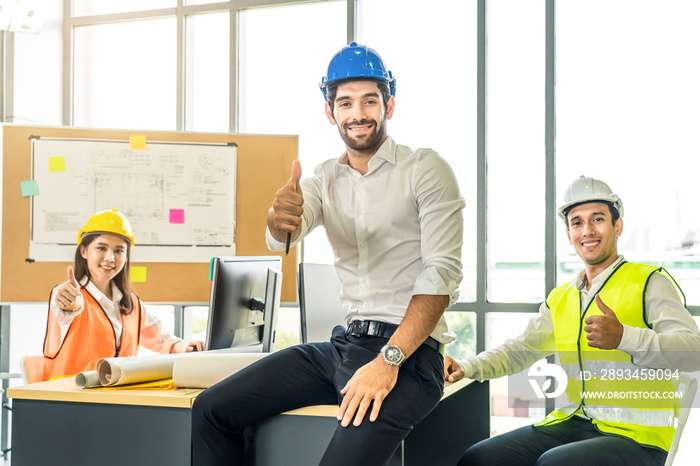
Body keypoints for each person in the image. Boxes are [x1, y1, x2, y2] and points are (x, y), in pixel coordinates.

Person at [191, 42, 465, 465]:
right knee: (212, 409)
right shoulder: (322, 178)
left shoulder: (424, 169)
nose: (358, 113)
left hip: (409, 357)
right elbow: (286, 232)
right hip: (345, 346)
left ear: (389, 104)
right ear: (330, 111)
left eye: (369, 100)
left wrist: (388, 360)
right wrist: (277, 217)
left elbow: (441, 274)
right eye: (346, 102)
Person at [444, 176, 700, 466]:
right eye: (577, 222)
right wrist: (467, 366)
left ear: (617, 226)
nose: (587, 230)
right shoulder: (562, 297)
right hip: (575, 421)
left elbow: (694, 352)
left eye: (597, 219)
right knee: (480, 458)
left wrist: (624, 337)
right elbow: (520, 350)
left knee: (555, 464)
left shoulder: (650, 281)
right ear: (568, 233)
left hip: (639, 438)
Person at [43, 208, 203, 381]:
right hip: (68, 399)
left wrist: (184, 347)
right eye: (102, 248)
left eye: (119, 250)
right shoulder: (70, 296)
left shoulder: (131, 303)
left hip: (116, 400)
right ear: (84, 251)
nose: (110, 258)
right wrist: (67, 303)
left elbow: (160, 338)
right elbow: (64, 310)